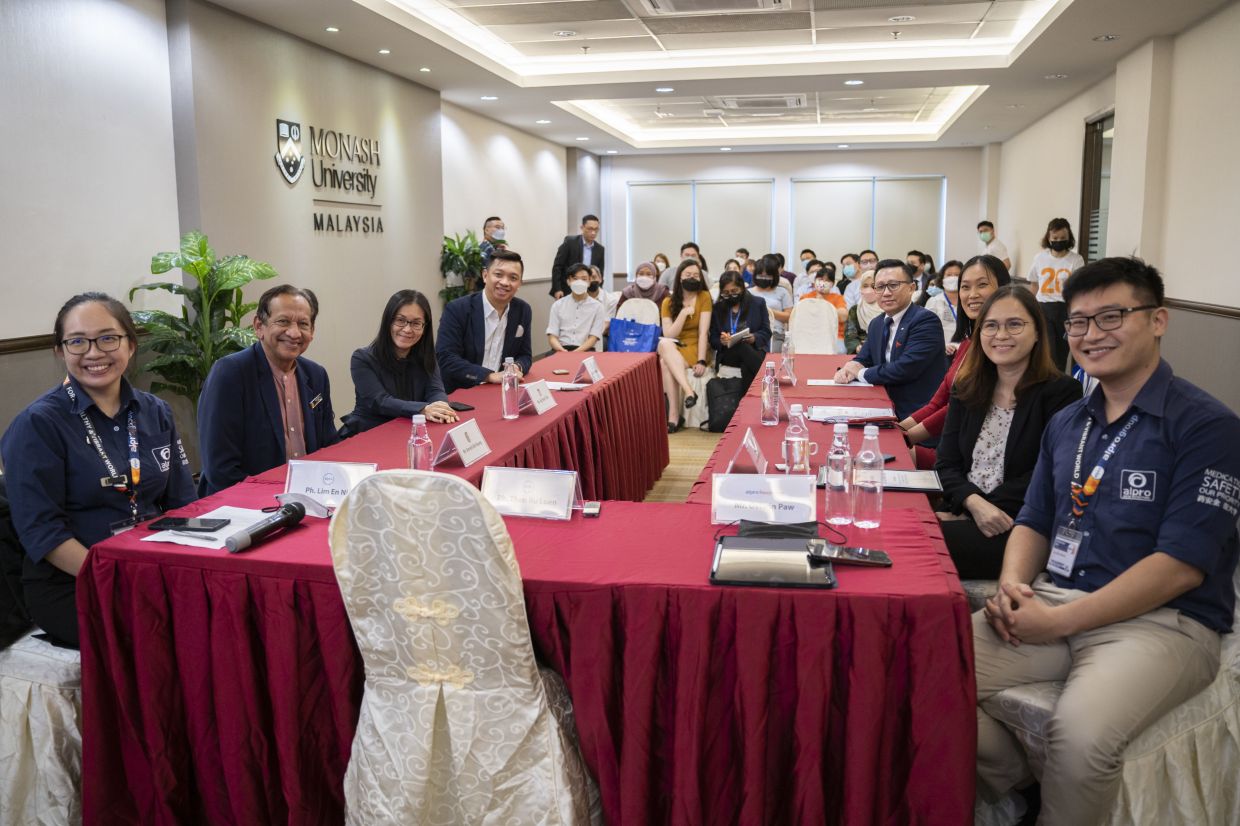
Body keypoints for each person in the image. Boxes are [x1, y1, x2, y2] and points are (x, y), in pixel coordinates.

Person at [974, 257, 1240, 824]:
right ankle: (1013, 778)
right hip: (1054, 600)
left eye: (1111, 316)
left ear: (1159, 320)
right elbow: (1035, 518)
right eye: (1077, 323)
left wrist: (1060, 622)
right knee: (918, 666)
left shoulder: (1207, 425)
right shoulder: (1069, 420)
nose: (1091, 335)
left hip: (1162, 623)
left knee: (1080, 735)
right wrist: (1014, 587)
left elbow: (1182, 566)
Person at [1, 293, 195, 647]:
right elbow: (42, 532)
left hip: (152, 567)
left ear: (131, 345)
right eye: (77, 341)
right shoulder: (38, 425)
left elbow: (183, 503)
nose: (93, 352)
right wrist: (118, 577)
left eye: (108, 338)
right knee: (159, 634)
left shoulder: (156, 412)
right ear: (60, 351)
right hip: (73, 582)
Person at [934, 286, 1081, 579]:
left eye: (1014, 324)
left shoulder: (1062, 393)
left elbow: (1047, 475)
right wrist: (971, 504)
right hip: (970, 510)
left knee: (920, 547)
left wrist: (979, 512)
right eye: (991, 325)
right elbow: (946, 463)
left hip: (1020, 527)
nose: (1001, 335)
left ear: (1038, 331)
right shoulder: (968, 387)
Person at [198, 284, 338, 496]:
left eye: (303, 324)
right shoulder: (230, 373)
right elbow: (220, 469)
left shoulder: (316, 375)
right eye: (283, 321)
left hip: (308, 497)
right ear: (259, 326)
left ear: (312, 331)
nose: (293, 332)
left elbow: (329, 447)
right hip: (243, 504)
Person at [900, 255, 1012, 467]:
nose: (972, 295)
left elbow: (956, 408)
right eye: (965, 287)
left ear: (1004, 288)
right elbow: (938, 402)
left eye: (982, 285)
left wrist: (906, 439)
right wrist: (899, 430)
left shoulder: (1000, 350)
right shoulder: (969, 343)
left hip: (971, 459)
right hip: (950, 448)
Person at [832, 260, 947, 419]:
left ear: (911, 288)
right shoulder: (877, 323)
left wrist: (860, 373)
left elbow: (905, 368)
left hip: (916, 412)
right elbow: (864, 358)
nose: (886, 293)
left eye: (893, 285)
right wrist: (849, 369)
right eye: (879, 287)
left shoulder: (925, 321)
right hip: (881, 404)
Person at [340, 290, 457, 437]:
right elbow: (380, 401)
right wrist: (423, 409)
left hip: (410, 432)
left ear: (424, 327)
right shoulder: (362, 358)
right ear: (388, 321)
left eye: (416, 323)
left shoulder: (427, 356)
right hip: (370, 433)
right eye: (400, 320)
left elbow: (435, 390)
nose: (407, 329)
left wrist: (441, 406)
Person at [437, 249, 533, 393]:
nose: (505, 282)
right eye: (498, 275)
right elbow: (446, 358)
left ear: (520, 283)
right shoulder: (457, 309)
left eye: (513, 278)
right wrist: (488, 376)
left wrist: (516, 367)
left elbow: (525, 355)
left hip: (499, 391)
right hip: (461, 392)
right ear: (485, 275)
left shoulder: (523, 310)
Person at [657, 259, 712, 433]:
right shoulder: (668, 302)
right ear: (680, 277)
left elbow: (703, 332)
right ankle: (688, 392)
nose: (692, 278)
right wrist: (682, 314)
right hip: (675, 346)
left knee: (664, 362)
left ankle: (673, 417)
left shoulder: (704, 297)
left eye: (696, 275)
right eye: (688, 275)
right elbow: (669, 334)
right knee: (664, 344)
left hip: (697, 346)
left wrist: (702, 360)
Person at [1027, 217, 1083, 371]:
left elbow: (1078, 290)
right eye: (1055, 238)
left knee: (1061, 353)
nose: (1059, 241)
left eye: (1063, 238)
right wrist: (1028, 309)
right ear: (1049, 238)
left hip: (1065, 309)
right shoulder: (1040, 258)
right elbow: (1033, 284)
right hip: (1043, 308)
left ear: (1069, 238)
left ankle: (1057, 385)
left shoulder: (1076, 260)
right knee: (1047, 350)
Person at [708, 271, 771, 391]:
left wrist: (754, 337)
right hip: (729, 354)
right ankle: (768, 378)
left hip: (755, 350)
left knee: (747, 365)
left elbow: (766, 331)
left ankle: (745, 403)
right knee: (741, 346)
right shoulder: (718, 309)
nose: (730, 295)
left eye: (734, 291)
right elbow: (713, 339)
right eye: (726, 293)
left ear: (742, 288)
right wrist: (722, 341)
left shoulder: (757, 303)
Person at [547, 264, 607, 352]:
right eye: (575, 279)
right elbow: (552, 336)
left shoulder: (598, 307)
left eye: (584, 279)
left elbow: (593, 337)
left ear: (589, 281)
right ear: (568, 281)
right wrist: (562, 351)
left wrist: (575, 353)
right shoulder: (558, 305)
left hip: (585, 350)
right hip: (560, 349)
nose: (579, 282)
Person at [550, 214, 603, 299]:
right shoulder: (570, 242)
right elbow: (557, 267)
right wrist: (557, 289)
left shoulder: (600, 249)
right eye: (590, 229)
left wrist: (598, 292)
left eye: (596, 229)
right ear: (582, 227)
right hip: (568, 290)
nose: (593, 232)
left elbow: (600, 273)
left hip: (588, 292)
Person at [751, 255, 795, 352]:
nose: (764, 278)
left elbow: (789, 317)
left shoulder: (782, 292)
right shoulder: (748, 293)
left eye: (767, 275)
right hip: (752, 333)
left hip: (775, 333)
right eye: (760, 275)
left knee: (771, 354)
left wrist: (767, 310)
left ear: (774, 276)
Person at [798, 266, 848, 340]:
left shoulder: (838, 298)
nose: (823, 283)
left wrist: (823, 304)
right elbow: (800, 317)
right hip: (810, 335)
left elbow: (843, 317)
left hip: (834, 336)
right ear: (815, 281)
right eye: (820, 279)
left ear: (832, 284)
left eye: (827, 280)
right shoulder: (806, 297)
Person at [925, 259, 963, 344]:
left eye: (957, 275)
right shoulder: (934, 301)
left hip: (965, 350)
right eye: (949, 275)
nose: (953, 278)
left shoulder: (968, 301)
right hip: (941, 350)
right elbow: (926, 329)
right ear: (942, 279)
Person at [844, 270, 880, 355]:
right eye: (865, 286)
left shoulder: (887, 309)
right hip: (861, 351)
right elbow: (850, 335)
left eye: (873, 286)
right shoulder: (855, 310)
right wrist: (857, 347)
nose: (869, 290)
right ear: (860, 288)